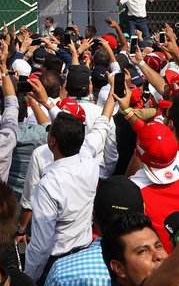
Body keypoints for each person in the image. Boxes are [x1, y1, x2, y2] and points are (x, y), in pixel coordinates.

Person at [24, 85, 122, 281]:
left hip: (54, 263)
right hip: (84, 253)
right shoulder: (89, 159)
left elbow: (41, 246)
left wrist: (27, 278)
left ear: (52, 141)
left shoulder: (48, 186)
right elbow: (102, 125)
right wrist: (111, 100)